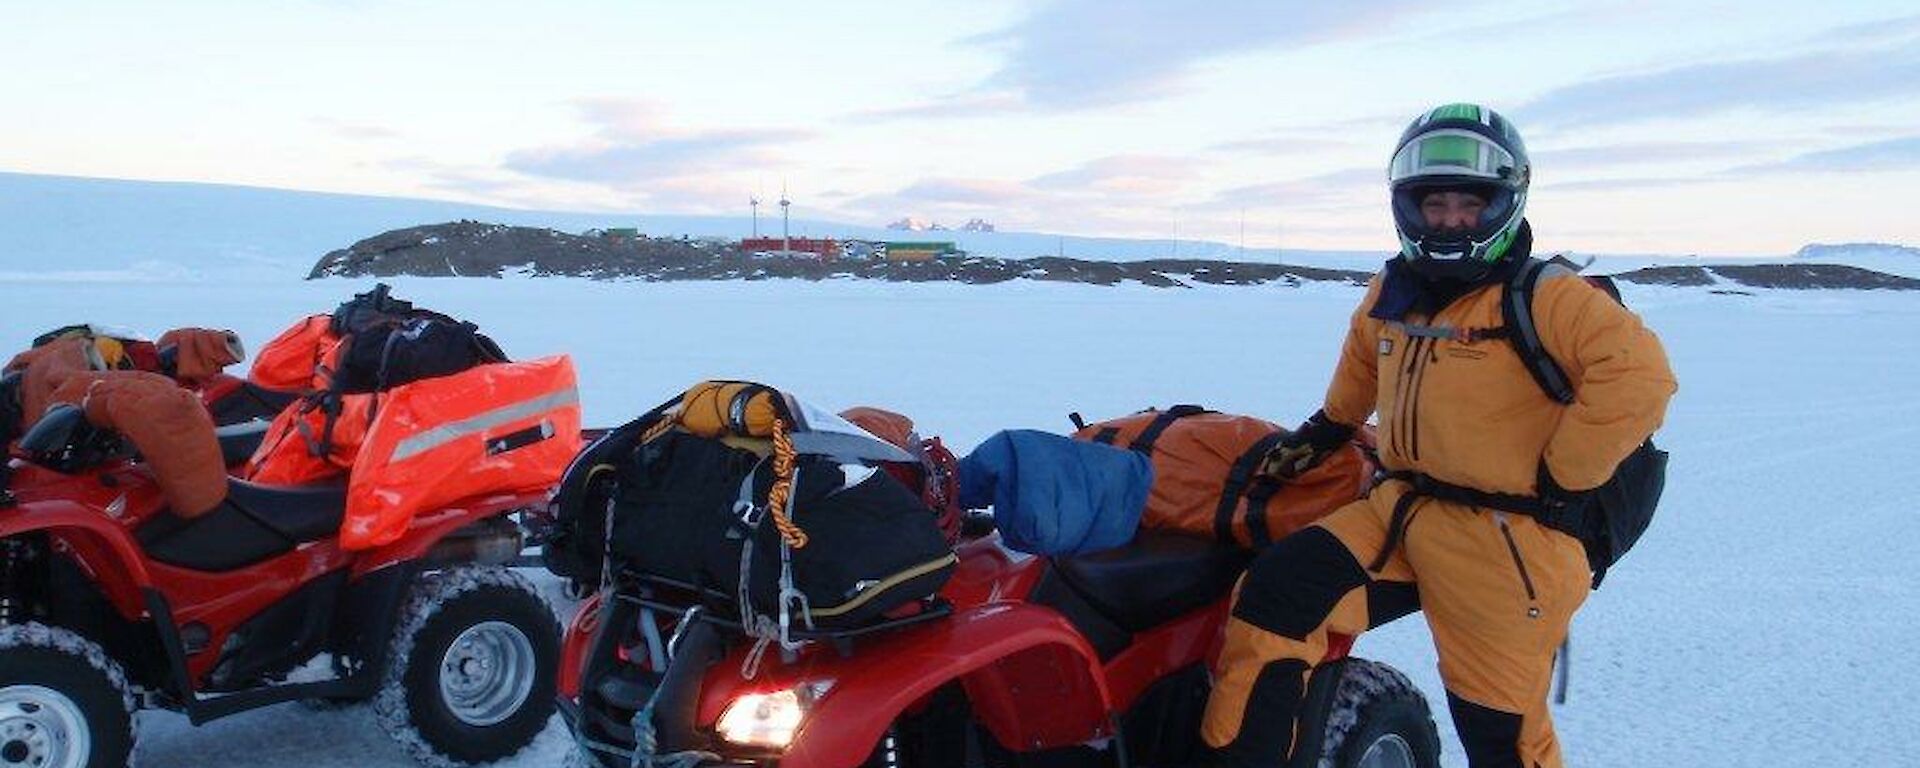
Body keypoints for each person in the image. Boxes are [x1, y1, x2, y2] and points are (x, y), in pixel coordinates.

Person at [1201, 103, 1676, 767]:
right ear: (1407, 207)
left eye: (1469, 204)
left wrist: (1564, 475)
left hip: (1507, 539)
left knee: (1498, 734)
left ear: (1503, 204)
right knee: (1278, 594)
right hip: (1400, 511)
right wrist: (1325, 431)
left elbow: (1640, 381)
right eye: (1434, 204)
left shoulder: (1546, 295)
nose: (1450, 219)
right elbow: (1364, 362)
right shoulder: (1395, 290)